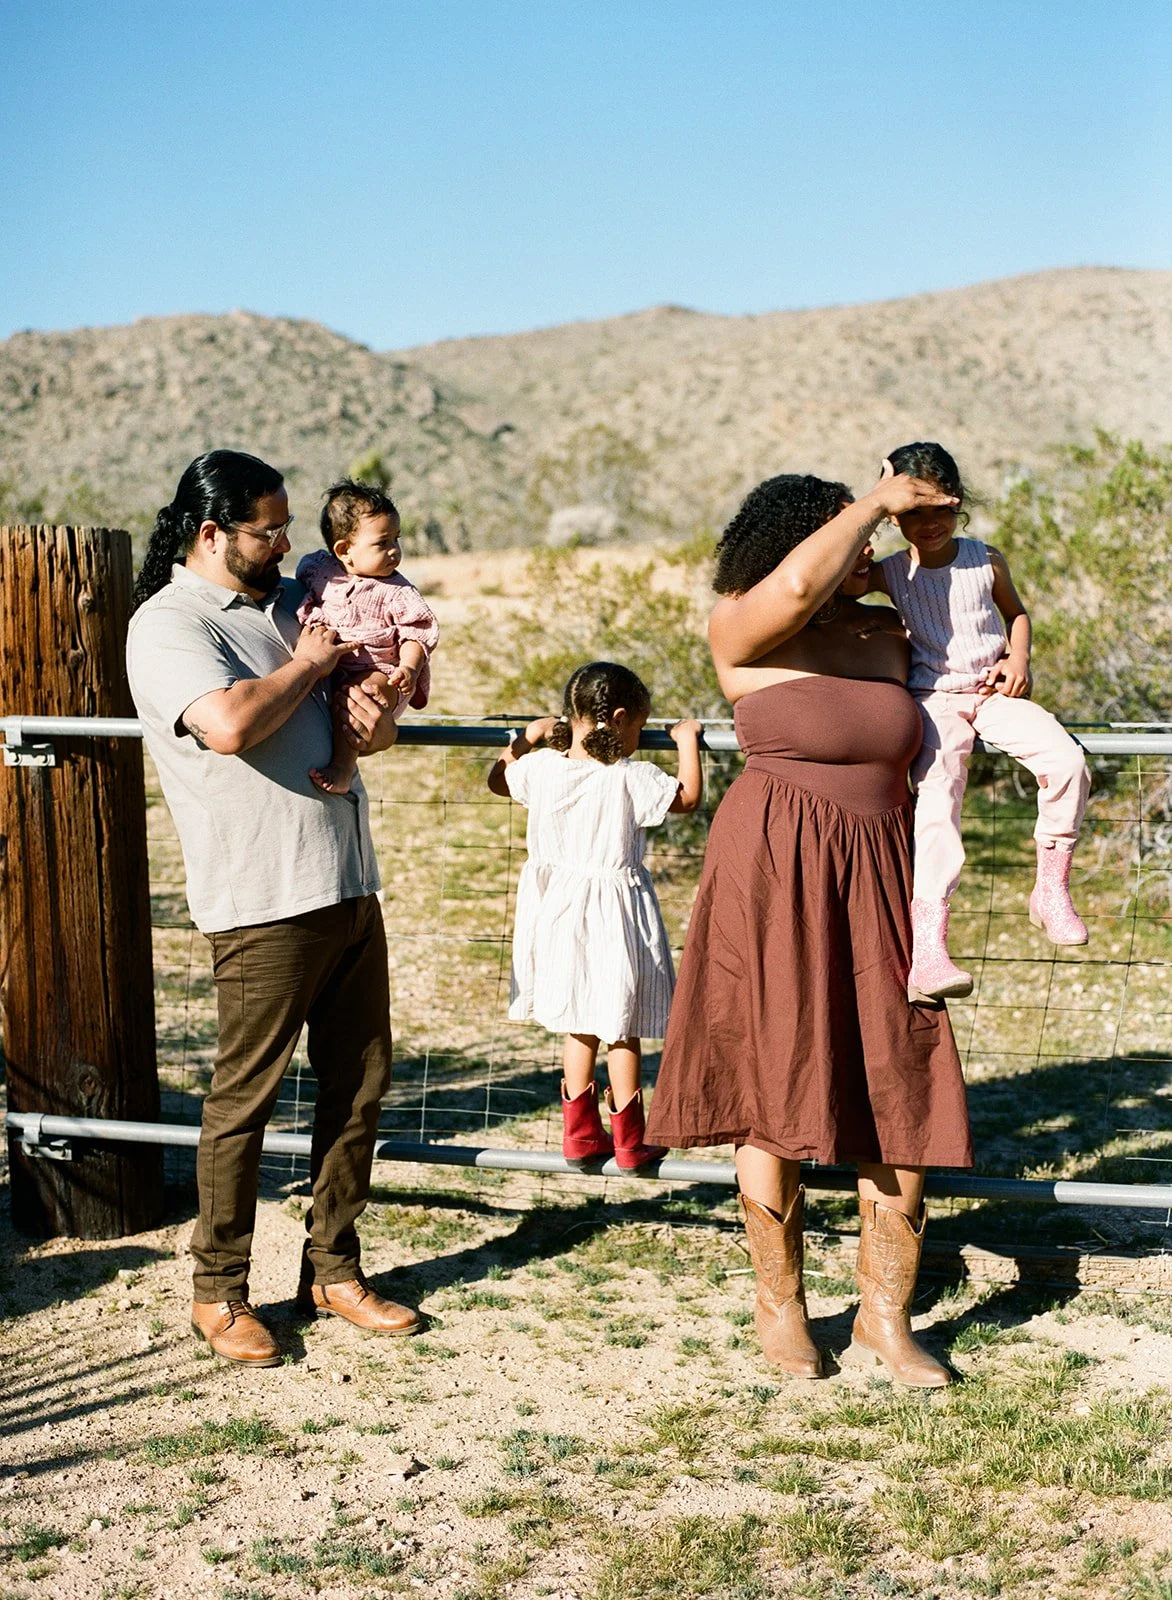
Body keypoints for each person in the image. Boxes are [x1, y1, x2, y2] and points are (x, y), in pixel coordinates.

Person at [644, 471, 973, 1388]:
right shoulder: (743, 625)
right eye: (845, 535)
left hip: (881, 865)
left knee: (902, 1076)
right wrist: (869, 503)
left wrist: (907, 572)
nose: (862, 550)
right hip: (775, 865)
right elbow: (792, 589)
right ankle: (781, 1308)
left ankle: (884, 1317)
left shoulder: (883, 630)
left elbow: (974, 640)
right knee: (773, 1067)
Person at [127, 449, 422, 1368]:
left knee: (358, 1092)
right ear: (212, 534)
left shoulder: (283, 614)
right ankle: (218, 1293)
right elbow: (227, 725)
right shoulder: (168, 624)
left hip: (345, 884)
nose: (291, 543)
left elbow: (335, 721)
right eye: (272, 528)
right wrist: (307, 663)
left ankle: (333, 1270)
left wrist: (373, 721)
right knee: (243, 1104)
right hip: (261, 901)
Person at [861, 442, 1090, 1002]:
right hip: (933, 700)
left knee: (1067, 761)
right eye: (913, 511)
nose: (929, 523)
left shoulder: (985, 560)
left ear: (957, 505)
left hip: (991, 693)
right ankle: (929, 951)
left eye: (940, 509)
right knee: (937, 802)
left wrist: (1019, 659)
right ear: (894, 515)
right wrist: (873, 500)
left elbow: (1016, 614)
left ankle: (1050, 888)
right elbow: (831, 580)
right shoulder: (890, 573)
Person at [487, 662, 703, 1169]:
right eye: (642, 729)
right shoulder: (630, 777)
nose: (642, 738)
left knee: (578, 1019)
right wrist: (687, 739)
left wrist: (525, 737)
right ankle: (630, 1138)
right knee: (620, 1019)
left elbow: (499, 780)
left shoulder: (541, 768)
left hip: (556, 910)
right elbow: (689, 798)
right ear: (621, 719)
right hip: (615, 914)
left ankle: (580, 1132)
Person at [296, 479, 440, 795]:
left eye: (396, 540)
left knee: (362, 699)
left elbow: (417, 633)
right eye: (382, 542)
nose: (395, 551)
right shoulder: (319, 569)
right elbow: (302, 583)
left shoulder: (398, 591)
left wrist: (410, 669)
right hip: (334, 668)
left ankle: (343, 768)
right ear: (344, 550)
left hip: (383, 673)